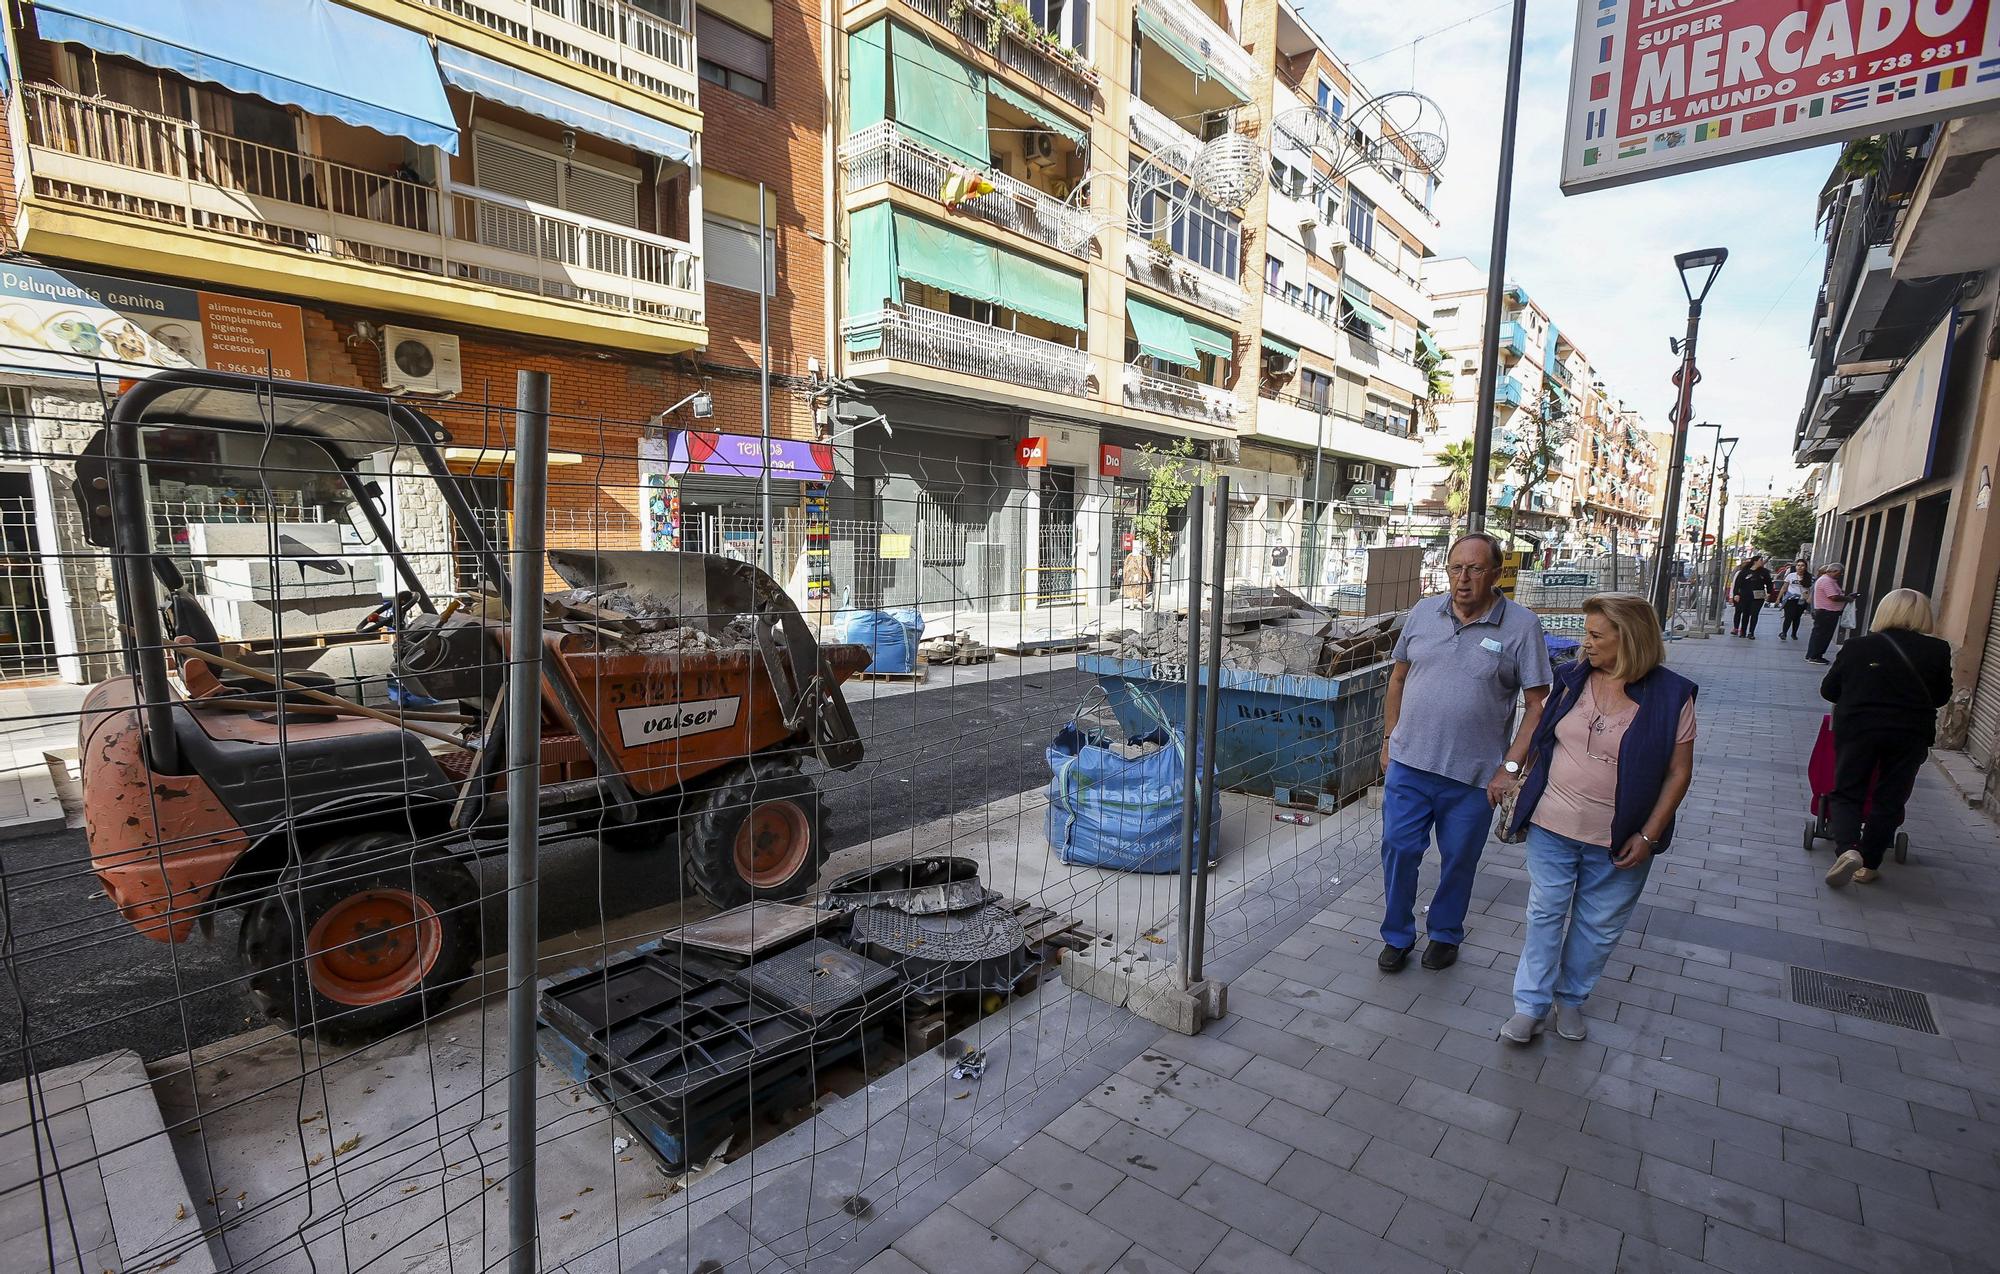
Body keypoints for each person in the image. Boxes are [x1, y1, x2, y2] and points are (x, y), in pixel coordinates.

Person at [1498, 593, 1696, 1043]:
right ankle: (1530, 1006)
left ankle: (1571, 1001)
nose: (1584, 644)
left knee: (1599, 925)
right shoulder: (1569, 678)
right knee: (1545, 914)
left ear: (1628, 639)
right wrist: (1512, 771)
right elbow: (1538, 735)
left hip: (1621, 837)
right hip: (1553, 823)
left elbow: (1679, 773)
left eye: (1595, 636)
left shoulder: (1672, 696)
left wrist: (1649, 836)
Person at [1377, 532, 1552, 973]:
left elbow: (1537, 705)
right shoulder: (1422, 612)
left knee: (1459, 859)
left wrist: (1509, 768)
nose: (1464, 578)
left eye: (1476, 569)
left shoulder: (1522, 627)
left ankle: (1445, 933)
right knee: (1398, 849)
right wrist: (1388, 738)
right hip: (1410, 765)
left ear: (1496, 574)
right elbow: (1397, 679)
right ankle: (1397, 934)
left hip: (1474, 777)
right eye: (1456, 568)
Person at [1817, 589, 1953, 888]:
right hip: (1910, 733)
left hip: (1858, 730)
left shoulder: (1857, 647)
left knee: (1848, 791)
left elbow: (1829, 690)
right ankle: (1869, 863)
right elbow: (1941, 696)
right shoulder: (1938, 650)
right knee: (1890, 797)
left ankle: (1848, 849)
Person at [1804, 564, 1851, 663]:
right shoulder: (1826, 581)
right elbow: (1833, 596)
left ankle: (1812, 654)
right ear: (1833, 571)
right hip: (1827, 612)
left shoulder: (1827, 580)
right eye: (1839, 573)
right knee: (1822, 635)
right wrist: (1847, 598)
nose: (1841, 575)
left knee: (1819, 634)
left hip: (1826, 612)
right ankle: (1815, 656)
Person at [1730, 554, 1774, 637]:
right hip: (1745, 595)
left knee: (1755, 613)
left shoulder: (1764, 572)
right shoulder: (1744, 572)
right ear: (1755, 561)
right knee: (1745, 613)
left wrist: (1768, 593)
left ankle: (1751, 632)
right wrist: (1736, 594)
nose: (1762, 562)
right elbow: (1737, 584)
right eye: (1760, 560)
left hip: (1758, 596)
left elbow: (1769, 583)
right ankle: (1743, 631)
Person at [1779, 558, 1810, 641]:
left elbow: (1811, 590)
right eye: (1798, 565)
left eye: (1802, 565)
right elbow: (1784, 587)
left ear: (1806, 567)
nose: (1800, 567)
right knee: (1788, 616)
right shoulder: (1791, 576)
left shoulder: (1809, 577)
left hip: (1802, 599)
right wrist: (1778, 598)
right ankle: (1784, 633)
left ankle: (1794, 633)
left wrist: (1809, 599)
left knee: (1797, 617)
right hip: (1790, 599)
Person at [1121, 542, 1152, 608]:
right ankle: (1139, 604)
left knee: (1131, 589)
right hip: (1140, 576)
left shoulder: (1129, 555)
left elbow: (1125, 565)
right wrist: (1148, 576)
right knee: (1141, 589)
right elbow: (1144, 566)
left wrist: (1124, 575)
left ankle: (1131, 605)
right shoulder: (1142, 557)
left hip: (1130, 576)